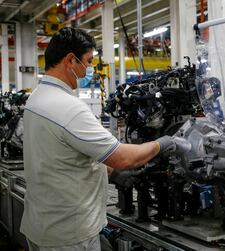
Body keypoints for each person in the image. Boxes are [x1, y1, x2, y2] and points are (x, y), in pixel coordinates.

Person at [20, 27, 176, 251]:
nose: (90, 69)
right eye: (88, 61)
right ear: (70, 60)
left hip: (42, 224)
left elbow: (64, 157)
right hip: (70, 236)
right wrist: (164, 143)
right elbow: (123, 158)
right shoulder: (68, 108)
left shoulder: (37, 98)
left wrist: (112, 173)